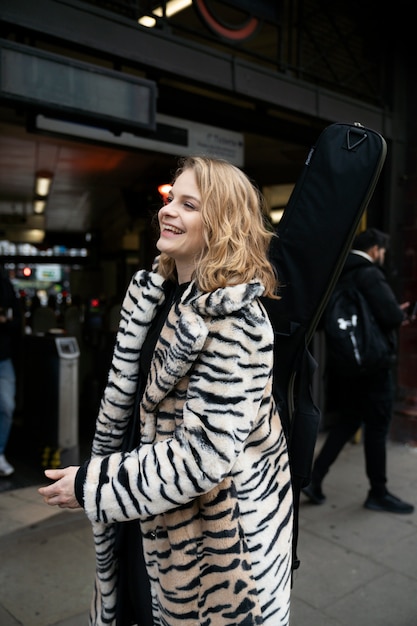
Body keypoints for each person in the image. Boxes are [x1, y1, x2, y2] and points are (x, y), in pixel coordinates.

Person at [39, 156, 294, 626]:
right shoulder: (154, 295)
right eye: (170, 198)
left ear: (222, 223)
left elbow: (204, 456)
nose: (167, 210)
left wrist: (91, 485)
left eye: (189, 204)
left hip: (208, 554)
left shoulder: (237, 320)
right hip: (141, 516)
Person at [302, 227, 414, 514]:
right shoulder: (369, 273)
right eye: (383, 251)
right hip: (373, 366)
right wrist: (401, 313)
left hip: (345, 365)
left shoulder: (337, 272)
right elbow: (389, 315)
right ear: (375, 248)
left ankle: (313, 480)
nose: (384, 255)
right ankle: (378, 492)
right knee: (377, 427)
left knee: (348, 421)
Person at [0, 268, 21, 477]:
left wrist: (6, 321)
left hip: (3, 357)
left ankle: (0, 453)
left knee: (7, 406)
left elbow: (18, 321)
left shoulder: (6, 286)